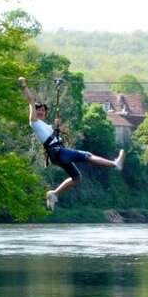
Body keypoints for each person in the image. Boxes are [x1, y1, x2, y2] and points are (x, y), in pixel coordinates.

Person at [18, 77, 125, 210]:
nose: (41, 112)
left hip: (56, 154)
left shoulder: (46, 126)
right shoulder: (34, 122)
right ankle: (115, 164)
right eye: (38, 109)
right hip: (58, 153)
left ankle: (54, 194)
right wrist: (24, 86)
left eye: (43, 110)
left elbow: (54, 138)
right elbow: (30, 100)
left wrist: (57, 127)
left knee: (76, 177)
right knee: (88, 156)